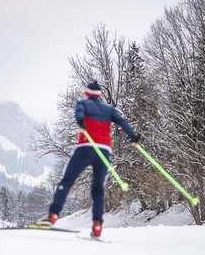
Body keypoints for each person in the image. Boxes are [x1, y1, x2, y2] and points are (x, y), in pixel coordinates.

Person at [40, 81, 140, 237]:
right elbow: (122, 121)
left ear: (87, 94)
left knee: (67, 181)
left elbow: (79, 113)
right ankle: (97, 224)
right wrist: (132, 136)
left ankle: (53, 215)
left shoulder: (83, 104)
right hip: (104, 151)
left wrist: (81, 121)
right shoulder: (109, 109)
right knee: (98, 188)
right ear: (99, 96)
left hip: (86, 147)